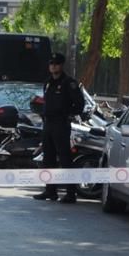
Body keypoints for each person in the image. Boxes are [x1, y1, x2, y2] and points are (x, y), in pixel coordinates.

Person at [33, 52, 85, 204]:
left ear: (61, 65)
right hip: (48, 123)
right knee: (48, 158)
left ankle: (70, 193)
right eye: (51, 64)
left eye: (56, 64)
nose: (53, 66)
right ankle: (50, 190)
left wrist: (68, 115)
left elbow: (79, 104)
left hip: (61, 124)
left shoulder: (69, 83)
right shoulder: (48, 82)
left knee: (65, 158)